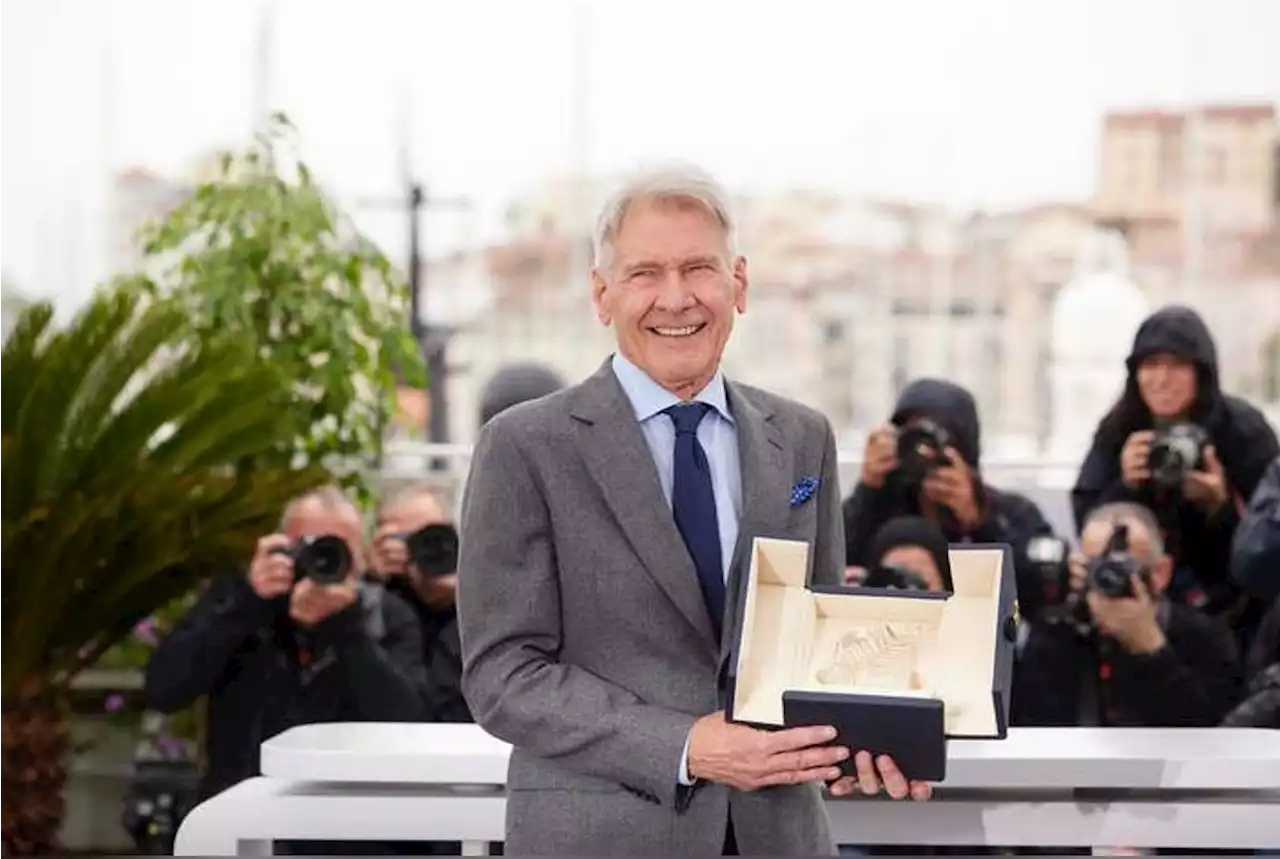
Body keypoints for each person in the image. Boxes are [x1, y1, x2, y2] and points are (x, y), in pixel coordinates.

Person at [457, 163, 929, 857]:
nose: (675, 299)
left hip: (781, 836)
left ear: (738, 284)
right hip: (602, 838)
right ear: (601, 293)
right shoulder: (525, 446)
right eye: (645, 273)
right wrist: (685, 746)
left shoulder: (803, 438)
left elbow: (817, 650)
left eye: (698, 269)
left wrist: (864, 741)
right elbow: (503, 674)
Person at [144, 486, 427, 804]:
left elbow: (409, 723)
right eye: (309, 548)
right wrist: (247, 603)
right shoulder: (240, 602)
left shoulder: (386, 615)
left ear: (361, 560)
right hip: (246, 812)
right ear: (282, 549)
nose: (320, 563)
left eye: (336, 551)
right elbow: (164, 689)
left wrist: (346, 630)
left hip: (351, 822)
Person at [1071, 305, 1279, 650]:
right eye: (1150, 365)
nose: (1162, 379)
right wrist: (1125, 485)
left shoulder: (1243, 431)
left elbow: (1269, 546)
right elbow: (1087, 520)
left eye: (1177, 365)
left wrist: (1220, 507)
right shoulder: (1120, 428)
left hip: (1232, 613)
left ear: (1202, 372)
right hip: (1138, 603)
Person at [1012, 501, 1242, 729]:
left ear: (1161, 572)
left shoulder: (1203, 636)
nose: (1108, 581)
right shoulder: (1060, 629)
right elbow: (1035, 724)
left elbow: (1212, 733)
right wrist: (1062, 622)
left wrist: (1150, 648)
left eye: (1122, 568)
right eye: (1096, 567)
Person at [843, 378, 1055, 617]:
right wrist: (868, 490)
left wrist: (979, 522)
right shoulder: (882, 507)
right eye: (913, 434)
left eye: (934, 436)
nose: (923, 451)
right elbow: (833, 567)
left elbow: (1035, 597)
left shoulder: (1013, 512)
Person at [372, 483, 470, 723]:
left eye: (433, 536)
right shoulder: (375, 606)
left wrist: (463, 598)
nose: (425, 549)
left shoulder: (480, 604)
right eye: (409, 540)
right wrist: (372, 582)